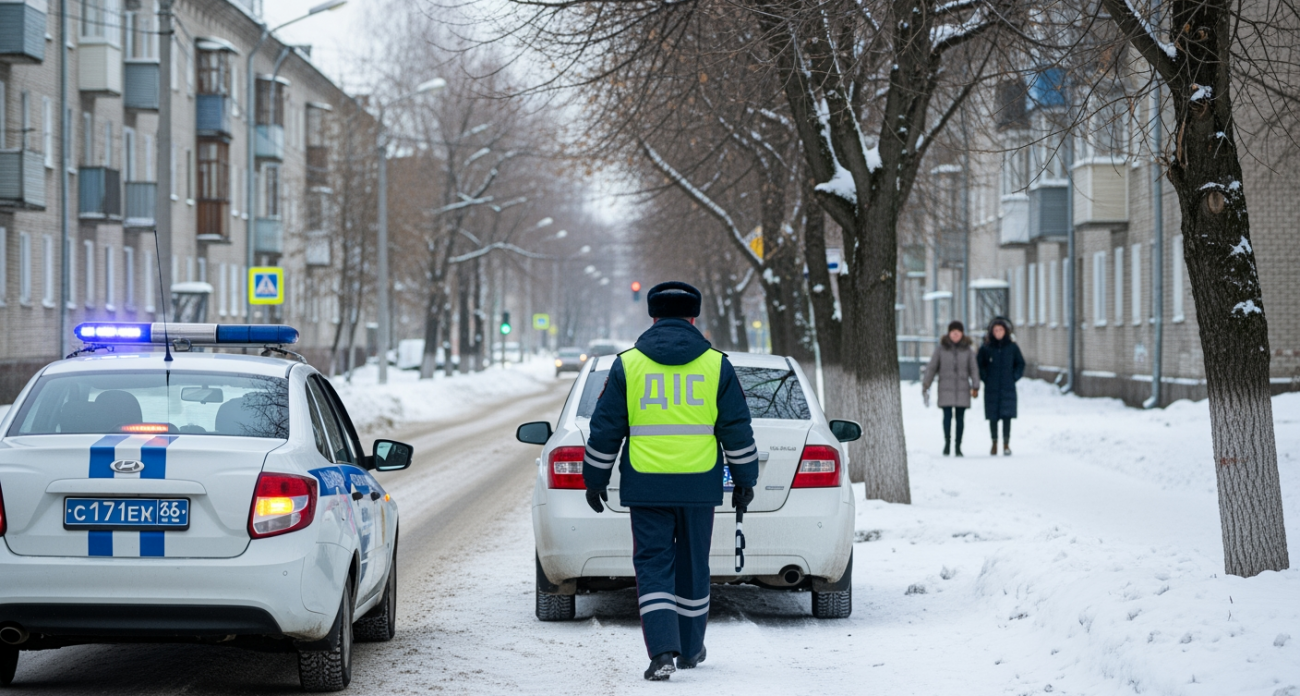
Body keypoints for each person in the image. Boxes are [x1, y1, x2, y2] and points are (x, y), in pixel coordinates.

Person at [582, 281, 758, 681]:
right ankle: (692, 649)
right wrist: (746, 479)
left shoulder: (628, 365)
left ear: (653, 316)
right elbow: (737, 428)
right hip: (699, 486)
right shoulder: (716, 365)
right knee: (694, 565)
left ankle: (662, 652)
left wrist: (594, 479)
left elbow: (605, 429)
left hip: (647, 485)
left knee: (653, 566)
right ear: (694, 318)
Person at [922, 320, 979, 456]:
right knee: (947, 417)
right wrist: (926, 384)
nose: (955, 335)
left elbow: (974, 369)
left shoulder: (968, 350)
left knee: (960, 419)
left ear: (962, 334)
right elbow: (931, 368)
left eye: (957, 332)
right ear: (949, 333)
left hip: (962, 389)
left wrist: (976, 385)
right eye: (953, 332)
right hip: (945, 388)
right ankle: (947, 444)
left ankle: (958, 446)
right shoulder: (941, 350)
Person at [977, 317, 1025, 456]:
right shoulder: (986, 348)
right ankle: (994, 442)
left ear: (1006, 331)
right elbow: (979, 365)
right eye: (996, 330)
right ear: (992, 332)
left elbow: (1020, 364)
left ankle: (1006, 443)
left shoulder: (1012, 347)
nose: (998, 332)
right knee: (993, 416)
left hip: (1007, 387)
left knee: (1007, 416)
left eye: (1001, 330)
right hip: (992, 388)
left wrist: (1014, 377)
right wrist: (985, 378)